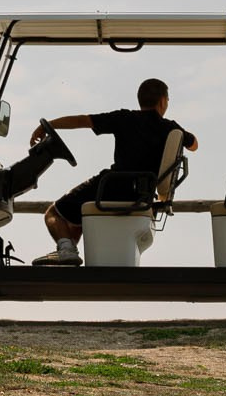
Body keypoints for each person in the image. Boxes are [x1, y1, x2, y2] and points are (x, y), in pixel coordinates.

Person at [32, 77, 197, 266]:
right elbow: (194, 145)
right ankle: (68, 253)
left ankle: (66, 249)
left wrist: (47, 125)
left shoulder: (124, 118)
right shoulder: (170, 127)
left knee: (54, 213)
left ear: (141, 100)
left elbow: (82, 120)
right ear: (162, 101)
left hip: (112, 186)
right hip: (143, 194)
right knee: (76, 215)